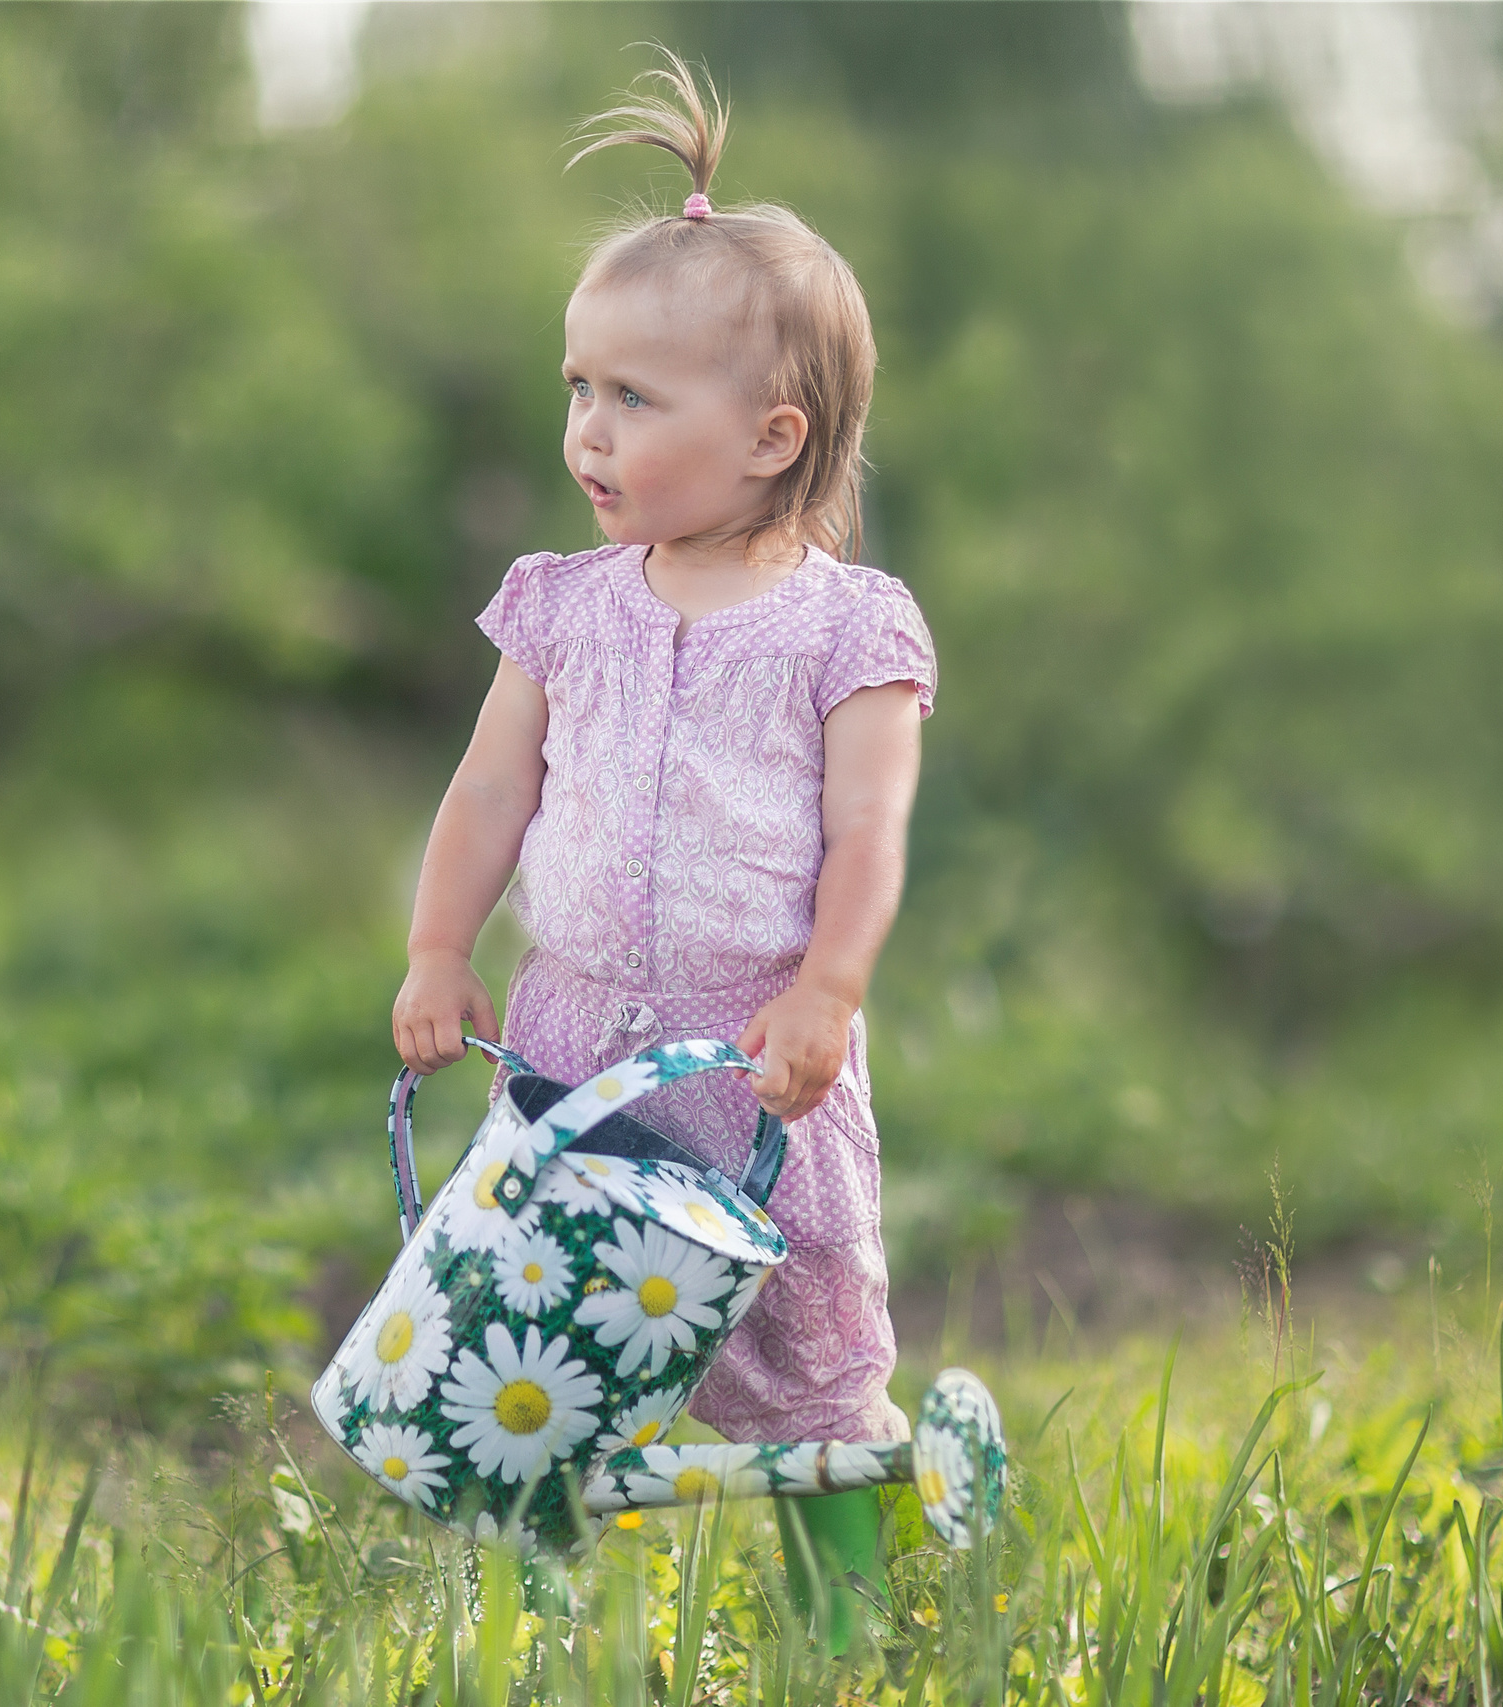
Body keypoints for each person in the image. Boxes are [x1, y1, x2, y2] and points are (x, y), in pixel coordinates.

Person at [389, 52, 934, 1649]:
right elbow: (489, 792)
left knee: (812, 1343)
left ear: (772, 437)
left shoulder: (850, 629)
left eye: (634, 398)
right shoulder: (565, 603)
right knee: (537, 1329)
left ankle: (851, 1635)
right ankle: (534, 1630)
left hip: (757, 1051)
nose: (588, 430)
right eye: (578, 388)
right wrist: (440, 947)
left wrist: (830, 991)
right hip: (570, 1040)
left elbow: (867, 830)